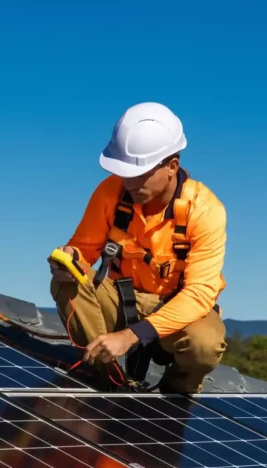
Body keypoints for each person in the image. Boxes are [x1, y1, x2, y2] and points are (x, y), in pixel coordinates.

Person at [49, 102, 228, 393]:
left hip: (178, 309)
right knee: (69, 281)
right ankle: (108, 380)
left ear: (171, 167)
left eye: (139, 173)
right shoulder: (111, 191)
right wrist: (71, 258)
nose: (129, 180)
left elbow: (198, 295)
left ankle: (174, 399)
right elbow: (85, 248)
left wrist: (130, 336)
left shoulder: (205, 209)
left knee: (204, 344)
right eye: (124, 172)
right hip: (121, 300)